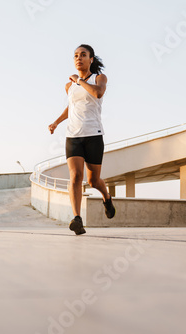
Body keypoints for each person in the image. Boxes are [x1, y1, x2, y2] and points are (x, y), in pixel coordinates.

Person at [48, 44, 116, 235]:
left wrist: (79, 80)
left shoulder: (99, 78)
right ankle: (77, 218)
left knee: (93, 181)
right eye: (76, 55)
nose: (79, 58)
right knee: (76, 176)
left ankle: (107, 197)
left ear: (91, 59)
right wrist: (56, 122)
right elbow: (72, 108)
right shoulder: (69, 85)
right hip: (73, 136)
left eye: (83, 55)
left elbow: (97, 93)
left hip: (93, 135)